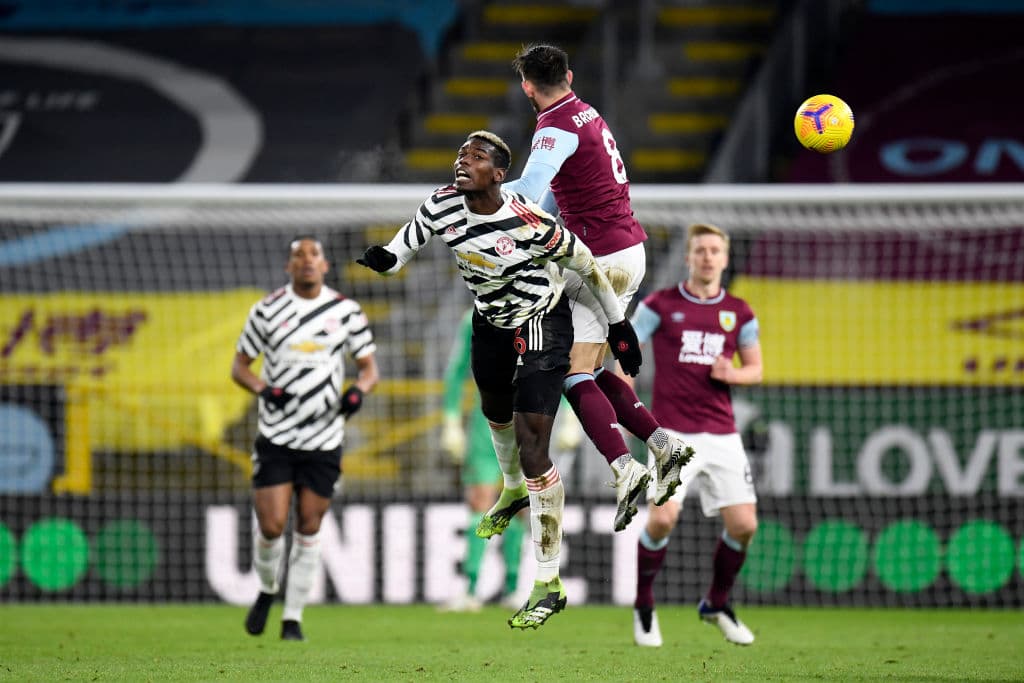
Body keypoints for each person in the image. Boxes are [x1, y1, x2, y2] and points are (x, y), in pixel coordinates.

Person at [357, 130, 643, 629]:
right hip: (487, 323)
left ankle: (546, 582)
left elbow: (588, 267)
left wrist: (618, 324)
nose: (461, 161)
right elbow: (404, 245)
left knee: (535, 447)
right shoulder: (440, 205)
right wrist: (386, 259)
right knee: (495, 416)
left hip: (540, 320)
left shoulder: (530, 221)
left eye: (476, 156)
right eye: (459, 152)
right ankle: (511, 490)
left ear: (499, 172)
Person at [503, 43, 693, 532]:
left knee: (566, 369)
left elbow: (529, 189)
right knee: (588, 366)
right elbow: (547, 193)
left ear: (527, 85)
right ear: (567, 75)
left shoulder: (554, 128)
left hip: (598, 257)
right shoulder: (585, 112)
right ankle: (661, 445)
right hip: (629, 249)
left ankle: (624, 467)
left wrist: (477, 194)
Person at [231, 236, 380, 642]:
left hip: (324, 437)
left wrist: (357, 392)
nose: (307, 262)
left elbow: (369, 370)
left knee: (309, 526)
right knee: (273, 524)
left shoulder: (346, 311)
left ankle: (293, 618)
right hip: (277, 435)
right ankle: (266, 589)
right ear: (288, 267)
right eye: (299, 256)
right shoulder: (266, 310)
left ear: (325, 265)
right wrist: (264, 389)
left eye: (313, 255)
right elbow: (240, 367)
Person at [628, 223, 762, 647]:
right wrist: (627, 404)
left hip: (722, 434)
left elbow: (756, 369)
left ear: (725, 259)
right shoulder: (659, 305)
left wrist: (734, 373)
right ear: (688, 257)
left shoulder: (739, 312)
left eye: (715, 251)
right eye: (700, 250)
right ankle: (645, 605)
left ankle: (716, 603)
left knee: (744, 526)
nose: (707, 257)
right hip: (672, 433)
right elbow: (624, 353)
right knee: (663, 517)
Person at [439, 308, 525, 612]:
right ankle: (469, 588)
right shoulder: (473, 319)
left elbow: (559, 368)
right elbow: (457, 370)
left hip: (530, 423)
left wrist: (567, 416)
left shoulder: (541, 312)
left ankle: (514, 589)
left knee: (520, 508)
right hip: (486, 426)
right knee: (480, 502)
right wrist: (450, 420)